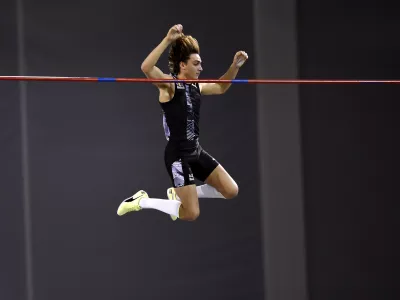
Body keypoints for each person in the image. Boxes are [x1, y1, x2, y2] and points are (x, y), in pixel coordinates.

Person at [117, 24, 248, 221]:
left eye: (201, 63)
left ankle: (175, 193)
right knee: (191, 213)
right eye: (196, 63)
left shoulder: (197, 86)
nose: (201, 68)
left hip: (195, 151)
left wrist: (234, 67)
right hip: (178, 155)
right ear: (182, 65)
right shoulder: (169, 86)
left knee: (231, 190)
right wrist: (168, 40)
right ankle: (141, 200)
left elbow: (221, 87)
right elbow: (146, 68)